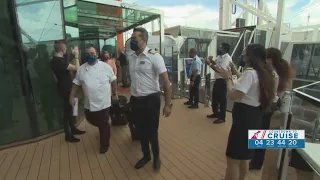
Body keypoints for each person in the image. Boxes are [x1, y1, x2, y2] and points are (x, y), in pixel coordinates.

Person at [217, 44, 275, 180]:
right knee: (244, 157)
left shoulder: (250, 74)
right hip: (255, 117)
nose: (242, 56)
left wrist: (228, 79)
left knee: (233, 158)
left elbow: (233, 95)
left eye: (244, 53)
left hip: (243, 119)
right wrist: (234, 73)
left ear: (250, 56)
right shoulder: (263, 73)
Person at [128, 27, 172, 171]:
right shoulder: (132, 57)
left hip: (151, 100)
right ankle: (146, 156)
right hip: (136, 100)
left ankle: (156, 157)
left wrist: (168, 103)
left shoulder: (154, 56)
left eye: (134, 38)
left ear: (143, 40)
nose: (132, 41)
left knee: (152, 131)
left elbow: (165, 81)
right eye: (131, 38)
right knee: (140, 130)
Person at [249, 47, 294, 170]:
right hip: (271, 107)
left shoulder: (273, 73)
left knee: (261, 134)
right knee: (261, 133)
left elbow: (273, 93)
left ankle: (257, 162)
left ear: (270, 59)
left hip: (269, 107)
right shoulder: (278, 72)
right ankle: (256, 161)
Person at [69, 46, 118, 154]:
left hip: (104, 102)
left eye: (92, 53)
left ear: (97, 54)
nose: (90, 55)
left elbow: (113, 80)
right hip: (89, 103)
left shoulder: (105, 67)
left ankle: (104, 143)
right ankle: (103, 128)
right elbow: (76, 84)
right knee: (91, 119)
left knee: (104, 123)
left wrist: (114, 93)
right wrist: (71, 96)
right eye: (87, 53)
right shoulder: (81, 69)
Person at [51, 40, 85, 143]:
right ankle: (68, 134)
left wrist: (71, 54)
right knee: (67, 112)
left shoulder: (59, 59)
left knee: (70, 110)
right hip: (65, 89)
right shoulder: (59, 61)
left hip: (66, 87)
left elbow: (66, 61)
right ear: (62, 50)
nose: (66, 51)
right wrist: (76, 56)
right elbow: (77, 69)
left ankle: (73, 129)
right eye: (65, 49)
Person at [205, 43, 232, 123]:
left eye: (221, 48)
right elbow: (215, 63)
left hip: (223, 80)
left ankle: (222, 117)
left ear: (225, 50)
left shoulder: (227, 58)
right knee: (215, 97)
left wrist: (209, 64)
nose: (219, 49)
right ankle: (216, 113)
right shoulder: (220, 57)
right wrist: (210, 60)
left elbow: (220, 70)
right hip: (217, 80)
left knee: (222, 99)